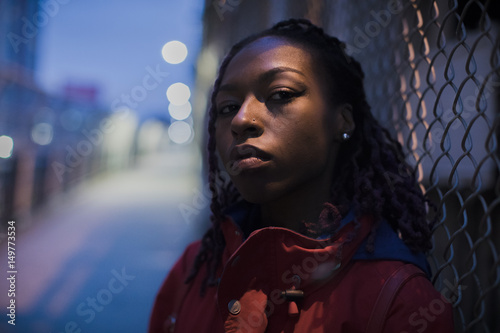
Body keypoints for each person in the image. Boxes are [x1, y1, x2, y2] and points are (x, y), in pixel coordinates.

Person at [149, 18, 454, 333]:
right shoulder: (194, 268)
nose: (241, 120)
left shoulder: (400, 300)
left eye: (280, 94)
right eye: (227, 107)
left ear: (343, 121)